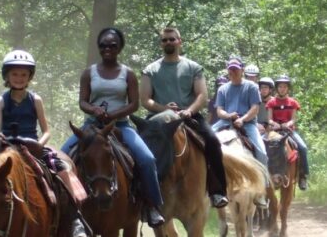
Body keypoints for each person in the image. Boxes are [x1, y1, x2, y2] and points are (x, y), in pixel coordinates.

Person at [61, 27, 165, 228]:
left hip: (121, 126)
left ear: (119, 48)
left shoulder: (128, 74)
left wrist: (114, 115)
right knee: (61, 157)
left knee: (147, 159)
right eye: (103, 45)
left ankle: (151, 205)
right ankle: (63, 208)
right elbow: (82, 101)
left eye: (112, 45)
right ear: (98, 48)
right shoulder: (88, 73)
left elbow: (134, 104)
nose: (107, 48)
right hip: (91, 127)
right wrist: (94, 110)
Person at [0, 49, 87, 237]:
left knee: (62, 169)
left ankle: (74, 219)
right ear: (7, 75)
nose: (19, 78)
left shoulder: (36, 99)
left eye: (23, 74)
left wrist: (39, 144)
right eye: (15, 74)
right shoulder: (0, 100)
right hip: (6, 146)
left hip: (32, 146)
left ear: (29, 76)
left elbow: (46, 130)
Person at [140, 27, 228, 208]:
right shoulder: (151, 70)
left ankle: (217, 191)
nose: (168, 43)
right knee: (137, 149)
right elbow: (145, 99)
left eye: (172, 39)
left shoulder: (193, 67)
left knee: (212, 141)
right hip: (159, 119)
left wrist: (189, 110)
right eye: (164, 40)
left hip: (189, 116)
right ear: (161, 44)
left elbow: (202, 95)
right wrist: (162, 108)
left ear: (180, 41)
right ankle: (140, 196)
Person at [211, 56, 268, 208]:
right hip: (225, 122)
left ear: (242, 70)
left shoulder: (251, 87)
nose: (233, 72)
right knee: (204, 142)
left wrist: (242, 120)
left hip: (247, 124)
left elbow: (255, 108)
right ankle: (210, 187)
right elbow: (219, 110)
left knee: (262, 153)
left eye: (236, 69)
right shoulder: (223, 88)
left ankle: (262, 191)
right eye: (231, 69)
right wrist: (229, 116)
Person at [266, 75, 309, 190]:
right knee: (262, 147)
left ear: (288, 88)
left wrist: (288, 124)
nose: (282, 89)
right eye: (280, 86)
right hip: (274, 131)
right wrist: (274, 124)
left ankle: (303, 176)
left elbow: (294, 119)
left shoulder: (293, 102)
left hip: (288, 131)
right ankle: (263, 176)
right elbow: (269, 118)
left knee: (303, 148)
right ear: (276, 88)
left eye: (284, 87)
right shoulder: (271, 102)